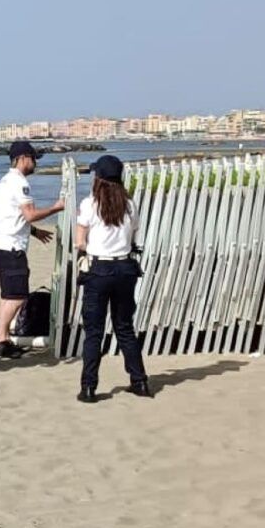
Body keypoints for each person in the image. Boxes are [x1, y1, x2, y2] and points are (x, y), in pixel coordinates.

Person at [74, 155, 151, 404]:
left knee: (94, 331)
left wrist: (87, 249)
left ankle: (89, 387)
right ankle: (139, 381)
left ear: (98, 179)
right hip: (125, 268)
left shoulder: (90, 204)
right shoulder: (130, 205)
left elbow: (79, 241)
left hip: (99, 269)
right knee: (124, 327)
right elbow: (134, 234)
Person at [0, 141, 64, 358]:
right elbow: (29, 214)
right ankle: (0, 338)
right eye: (33, 158)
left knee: (8, 295)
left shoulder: (4, 181)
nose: (35, 163)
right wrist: (56, 207)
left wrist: (34, 232)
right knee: (18, 296)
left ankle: (2, 337)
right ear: (22, 158)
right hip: (11, 246)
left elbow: (13, 216)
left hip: (1, 243)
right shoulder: (20, 183)